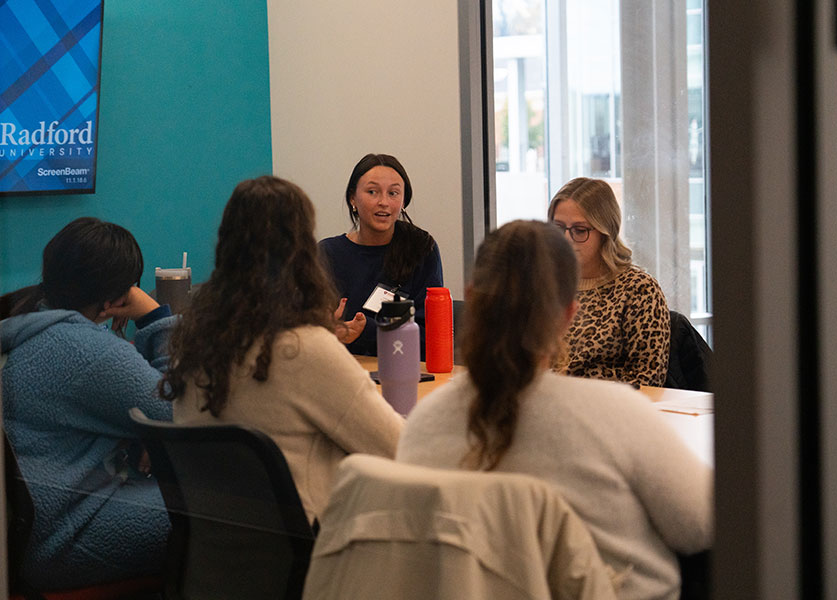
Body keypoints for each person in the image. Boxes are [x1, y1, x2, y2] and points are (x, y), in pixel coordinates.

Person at [396, 221, 712, 600]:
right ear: (568, 315)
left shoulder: (423, 426)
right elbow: (701, 525)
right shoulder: (617, 415)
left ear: (471, 299)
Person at [161, 176, 404, 523]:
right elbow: (398, 449)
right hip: (311, 559)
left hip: (216, 561)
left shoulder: (194, 343)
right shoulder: (305, 350)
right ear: (302, 252)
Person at [0, 217, 174, 590]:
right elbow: (181, 410)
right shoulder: (83, 350)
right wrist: (156, 317)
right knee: (217, 515)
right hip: (63, 536)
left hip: (35, 528)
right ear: (116, 298)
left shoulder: (28, 317)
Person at [319, 153, 443, 360]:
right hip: (341, 370)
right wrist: (323, 329)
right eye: (372, 192)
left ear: (403, 201)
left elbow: (431, 338)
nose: (383, 202)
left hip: (404, 370)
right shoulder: (327, 254)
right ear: (353, 199)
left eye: (393, 193)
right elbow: (299, 329)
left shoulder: (421, 249)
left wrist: (368, 330)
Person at [548, 177, 670, 386]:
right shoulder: (544, 286)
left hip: (611, 411)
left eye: (580, 230)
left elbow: (648, 379)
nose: (566, 239)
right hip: (550, 405)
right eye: (558, 228)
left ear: (605, 232)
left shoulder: (638, 289)